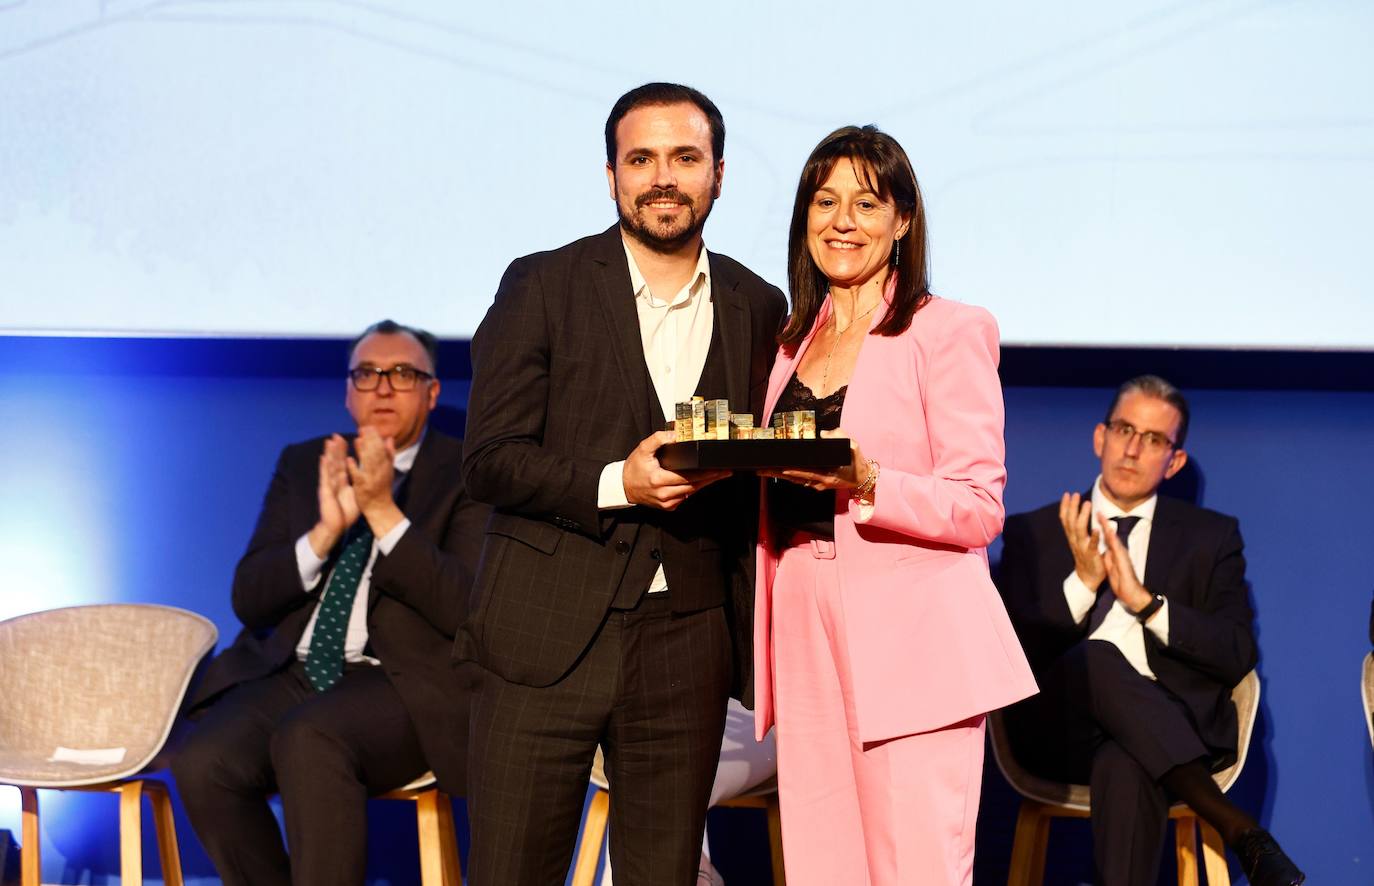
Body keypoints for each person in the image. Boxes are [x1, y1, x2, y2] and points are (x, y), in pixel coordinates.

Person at [458, 82, 787, 886]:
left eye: (685, 157)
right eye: (641, 159)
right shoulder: (541, 285)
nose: (663, 177)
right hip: (543, 631)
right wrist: (617, 483)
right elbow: (490, 457)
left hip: (687, 639)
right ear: (611, 176)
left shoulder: (757, 302)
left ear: (719, 174)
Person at [750, 125, 1036, 886]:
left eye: (867, 203)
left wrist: (868, 478)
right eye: (824, 199)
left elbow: (979, 505)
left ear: (903, 220)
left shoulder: (947, 329)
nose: (842, 220)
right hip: (801, 611)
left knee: (918, 866)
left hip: (913, 638)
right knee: (822, 863)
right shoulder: (789, 346)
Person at [172, 320, 488, 886]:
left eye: (403, 374)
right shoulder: (305, 463)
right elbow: (250, 597)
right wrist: (325, 531)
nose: (383, 387)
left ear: (432, 392)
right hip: (294, 670)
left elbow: (465, 607)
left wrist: (382, 512)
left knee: (309, 737)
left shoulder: (466, 472)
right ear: (348, 392)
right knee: (203, 762)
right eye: (367, 374)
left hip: (401, 683)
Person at [996, 375, 1305, 886]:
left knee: (1126, 759)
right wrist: (1084, 583)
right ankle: (1241, 832)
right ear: (1101, 437)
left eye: (1154, 439)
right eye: (1124, 430)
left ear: (1175, 461)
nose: (1133, 449)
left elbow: (1235, 652)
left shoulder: (1210, 537)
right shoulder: (1035, 531)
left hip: (1168, 729)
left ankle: (1239, 831)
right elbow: (1009, 653)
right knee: (1097, 656)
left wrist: (1146, 603)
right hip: (1057, 733)